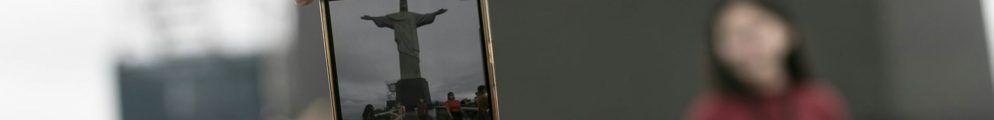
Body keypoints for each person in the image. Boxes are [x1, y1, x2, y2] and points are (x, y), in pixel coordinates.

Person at [686, 0, 847, 120]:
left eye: (756, 26)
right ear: (718, 50)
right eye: (732, 33)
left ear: (789, 31)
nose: (747, 41)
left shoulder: (819, 103)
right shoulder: (712, 113)